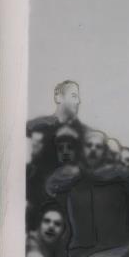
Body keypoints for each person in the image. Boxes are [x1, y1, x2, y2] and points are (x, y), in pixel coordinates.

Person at [46, 129, 129, 257]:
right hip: (80, 251)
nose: (93, 150)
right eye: (89, 145)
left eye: (98, 146)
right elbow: (51, 186)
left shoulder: (119, 177)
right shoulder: (70, 176)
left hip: (114, 249)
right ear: (82, 150)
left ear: (105, 151)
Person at [26, 81, 88, 220]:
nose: (78, 101)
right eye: (74, 96)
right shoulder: (34, 127)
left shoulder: (84, 134)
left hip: (70, 209)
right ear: (59, 97)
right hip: (37, 206)